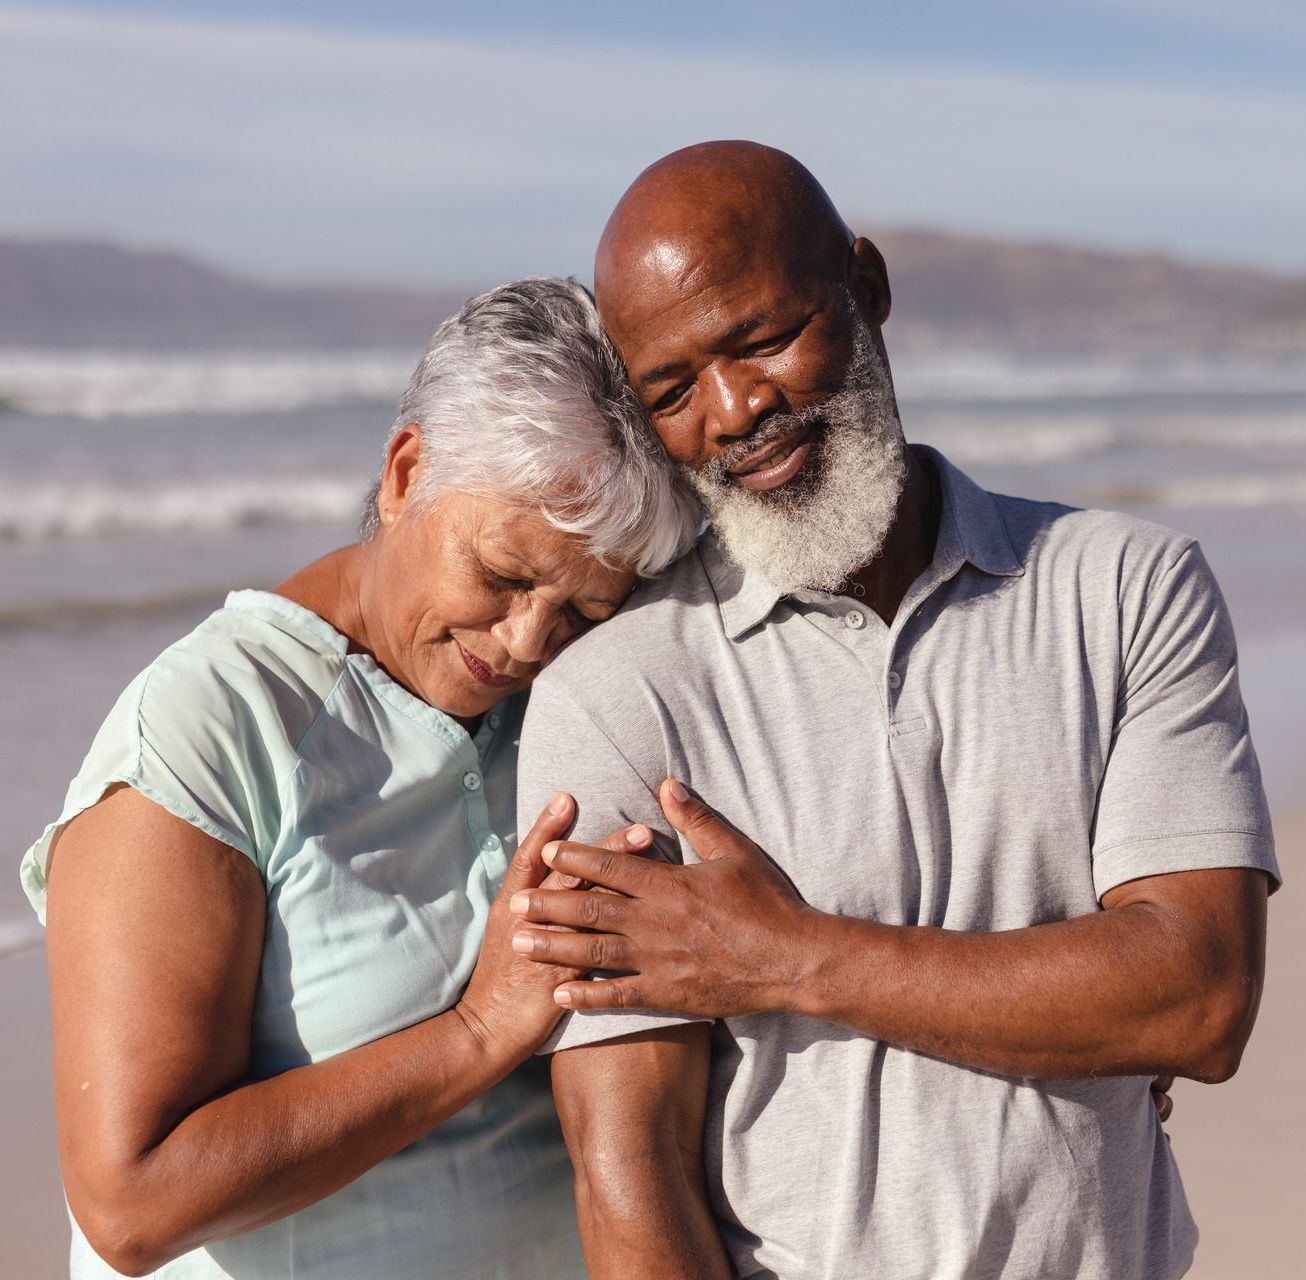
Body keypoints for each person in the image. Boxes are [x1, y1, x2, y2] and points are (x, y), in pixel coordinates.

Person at [510, 143, 1280, 1279]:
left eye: (763, 338)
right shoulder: (616, 698)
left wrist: (782, 954)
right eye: (671, 391)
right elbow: (630, 1169)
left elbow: (1200, 995)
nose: (735, 412)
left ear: (864, 285)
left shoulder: (1123, 587)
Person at [18, 277, 700, 1279]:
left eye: (582, 611)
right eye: (504, 575)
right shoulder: (214, 722)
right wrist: (477, 1028)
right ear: (404, 470)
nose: (524, 641)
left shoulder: (559, 702)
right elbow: (133, 1201)